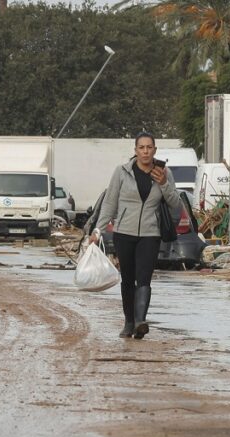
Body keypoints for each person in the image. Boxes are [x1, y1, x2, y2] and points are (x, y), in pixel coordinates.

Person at [89, 132, 181, 339]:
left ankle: (140, 321)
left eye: (149, 147)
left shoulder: (164, 173)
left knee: (145, 279)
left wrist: (165, 183)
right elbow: (110, 202)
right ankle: (129, 322)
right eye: (142, 147)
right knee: (128, 279)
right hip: (124, 233)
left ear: (155, 150)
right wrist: (98, 230)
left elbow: (176, 204)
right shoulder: (121, 172)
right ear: (136, 150)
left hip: (150, 234)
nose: (146, 151)